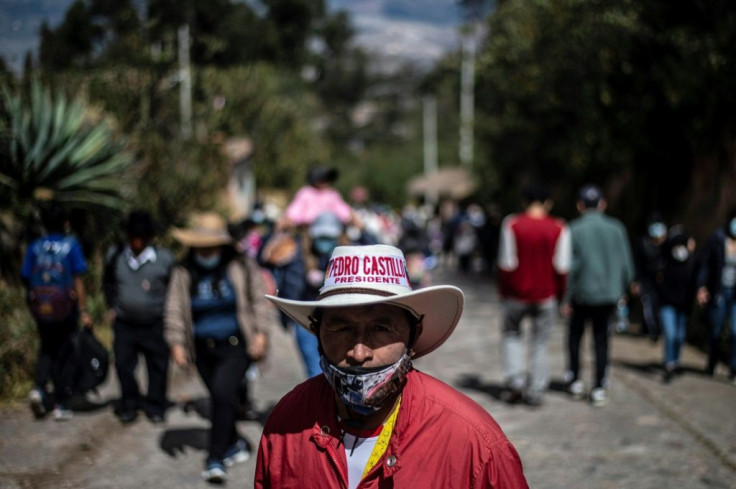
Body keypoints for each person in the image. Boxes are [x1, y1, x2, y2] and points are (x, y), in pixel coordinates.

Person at [255, 244, 528, 489]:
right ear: (317, 331)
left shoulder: (473, 442)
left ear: (414, 333)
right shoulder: (287, 423)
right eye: (341, 328)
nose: (359, 352)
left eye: (381, 328)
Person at [164, 212, 274, 483]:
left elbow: (259, 300)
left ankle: (215, 457)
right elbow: (175, 308)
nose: (206, 252)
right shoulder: (183, 271)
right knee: (222, 398)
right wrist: (176, 342)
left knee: (222, 395)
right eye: (201, 247)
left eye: (211, 247)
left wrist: (261, 333)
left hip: (236, 346)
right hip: (202, 349)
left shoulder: (240, 266)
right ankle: (235, 442)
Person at [496, 184, 571, 406]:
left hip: (516, 295)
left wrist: (503, 293)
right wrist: (561, 296)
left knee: (512, 335)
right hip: (546, 296)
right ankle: (536, 388)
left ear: (523, 202)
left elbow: (506, 264)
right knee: (540, 342)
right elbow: (562, 267)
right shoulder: (559, 227)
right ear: (548, 202)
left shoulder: (512, 224)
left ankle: (516, 381)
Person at [562, 185, 635, 406]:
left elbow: (570, 267)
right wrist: (624, 289)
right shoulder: (617, 228)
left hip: (582, 295)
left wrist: (565, 297)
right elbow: (626, 265)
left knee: (576, 337)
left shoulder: (573, 228)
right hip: (608, 295)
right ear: (602, 203)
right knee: (602, 340)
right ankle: (599, 385)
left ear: (580, 204)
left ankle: (575, 378)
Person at [21, 202, 92, 421]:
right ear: (65, 223)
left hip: (41, 309)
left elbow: (25, 276)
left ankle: (40, 389)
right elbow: (78, 280)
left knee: (46, 348)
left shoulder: (35, 246)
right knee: (64, 352)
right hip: (65, 310)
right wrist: (83, 309)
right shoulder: (71, 246)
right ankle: (61, 402)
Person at [103, 211, 175, 424]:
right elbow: (107, 282)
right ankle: (130, 404)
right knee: (123, 365)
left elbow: (176, 288)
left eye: (141, 236)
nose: (136, 241)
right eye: (133, 236)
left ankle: (155, 406)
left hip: (155, 323)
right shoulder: (115, 256)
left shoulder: (165, 259)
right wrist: (112, 306)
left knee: (158, 367)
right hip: (125, 323)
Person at [696, 208, 736, 383]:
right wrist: (701, 287)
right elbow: (704, 264)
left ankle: (734, 368)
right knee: (716, 331)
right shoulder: (717, 238)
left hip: (735, 295)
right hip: (719, 292)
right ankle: (712, 362)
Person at [658, 226, 697, 383]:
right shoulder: (665, 260)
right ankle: (669, 364)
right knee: (671, 333)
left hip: (684, 305)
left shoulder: (692, 261)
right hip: (667, 303)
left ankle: (675, 361)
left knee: (680, 337)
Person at [632, 212, 667, 340]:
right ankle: (653, 331)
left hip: (662, 281)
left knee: (658, 306)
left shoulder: (666, 244)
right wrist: (635, 281)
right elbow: (637, 264)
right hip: (646, 280)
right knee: (648, 306)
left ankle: (658, 329)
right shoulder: (643, 243)